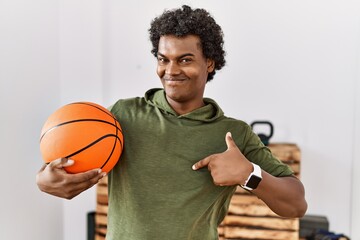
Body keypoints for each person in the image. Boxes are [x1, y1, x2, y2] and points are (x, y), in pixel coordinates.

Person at [36, 5, 307, 240]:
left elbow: (296, 205)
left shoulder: (234, 134)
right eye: (163, 59)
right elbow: (64, 162)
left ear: (210, 63)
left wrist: (249, 174)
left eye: (185, 60)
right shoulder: (122, 116)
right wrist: (45, 179)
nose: (171, 70)